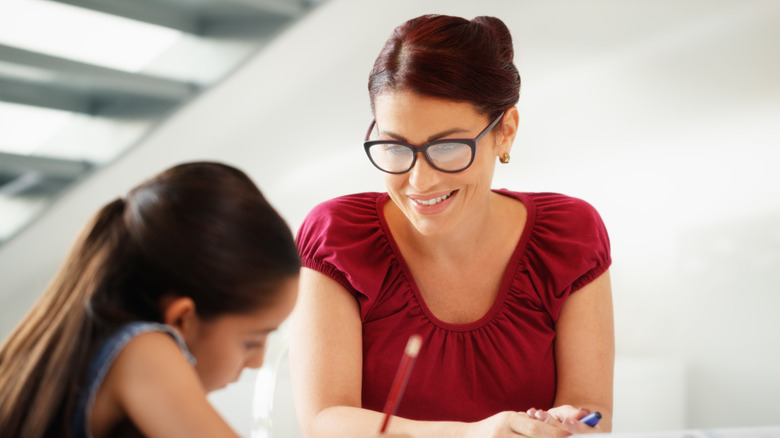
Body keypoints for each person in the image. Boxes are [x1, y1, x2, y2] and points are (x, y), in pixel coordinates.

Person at [290, 14, 614, 438]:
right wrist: (470, 435)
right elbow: (323, 419)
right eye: (394, 146)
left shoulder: (570, 234)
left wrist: (572, 422)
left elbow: (594, 409)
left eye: (446, 147)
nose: (419, 182)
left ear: (506, 133)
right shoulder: (337, 237)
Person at [0, 162, 301, 438]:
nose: (257, 362)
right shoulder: (142, 351)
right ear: (182, 319)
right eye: (252, 342)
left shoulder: (82, 352)